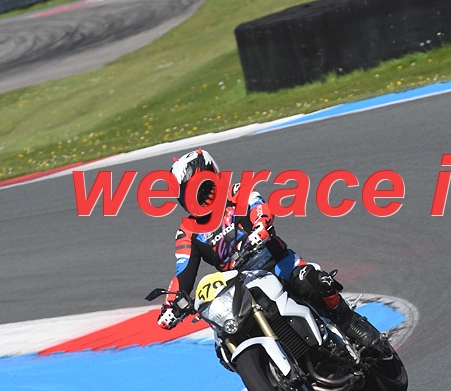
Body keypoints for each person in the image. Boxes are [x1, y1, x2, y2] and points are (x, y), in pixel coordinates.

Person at [156, 148, 382, 349]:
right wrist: (171, 305)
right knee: (225, 339)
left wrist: (261, 225)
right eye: (186, 194)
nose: (195, 198)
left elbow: (259, 207)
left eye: (198, 189)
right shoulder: (187, 231)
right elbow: (183, 272)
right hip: (242, 285)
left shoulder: (236, 193)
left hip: (277, 262)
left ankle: (348, 321)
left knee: (311, 281)